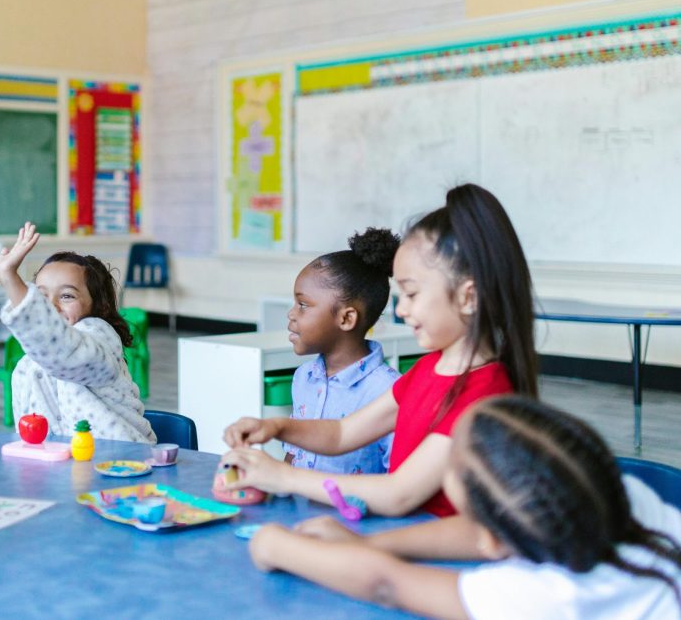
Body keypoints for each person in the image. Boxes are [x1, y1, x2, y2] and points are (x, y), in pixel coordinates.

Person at [222, 184, 537, 517]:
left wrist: (284, 478)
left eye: (412, 295)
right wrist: (276, 428)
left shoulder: (483, 394)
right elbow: (343, 433)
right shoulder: (428, 369)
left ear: (468, 297)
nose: (400, 311)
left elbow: (397, 494)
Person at [246, 397, 681, 620]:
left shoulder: (540, 597)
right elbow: (481, 533)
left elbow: (386, 585)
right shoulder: (613, 493)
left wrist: (273, 546)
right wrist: (370, 542)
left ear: (492, 539)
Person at [0, 222, 155, 443]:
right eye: (41, 296)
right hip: (64, 466)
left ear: (99, 305)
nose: (51, 306)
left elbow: (64, 353)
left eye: (67, 296)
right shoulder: (28, 364)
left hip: (120, 463)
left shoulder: (100, 339)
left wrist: (10, 277)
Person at [282, 228, 401, 475]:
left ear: (346, 318)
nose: (291, 314)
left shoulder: (389, 392)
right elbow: (293, 454)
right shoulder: (304, 377)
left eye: (303, 305)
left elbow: (398, 479)